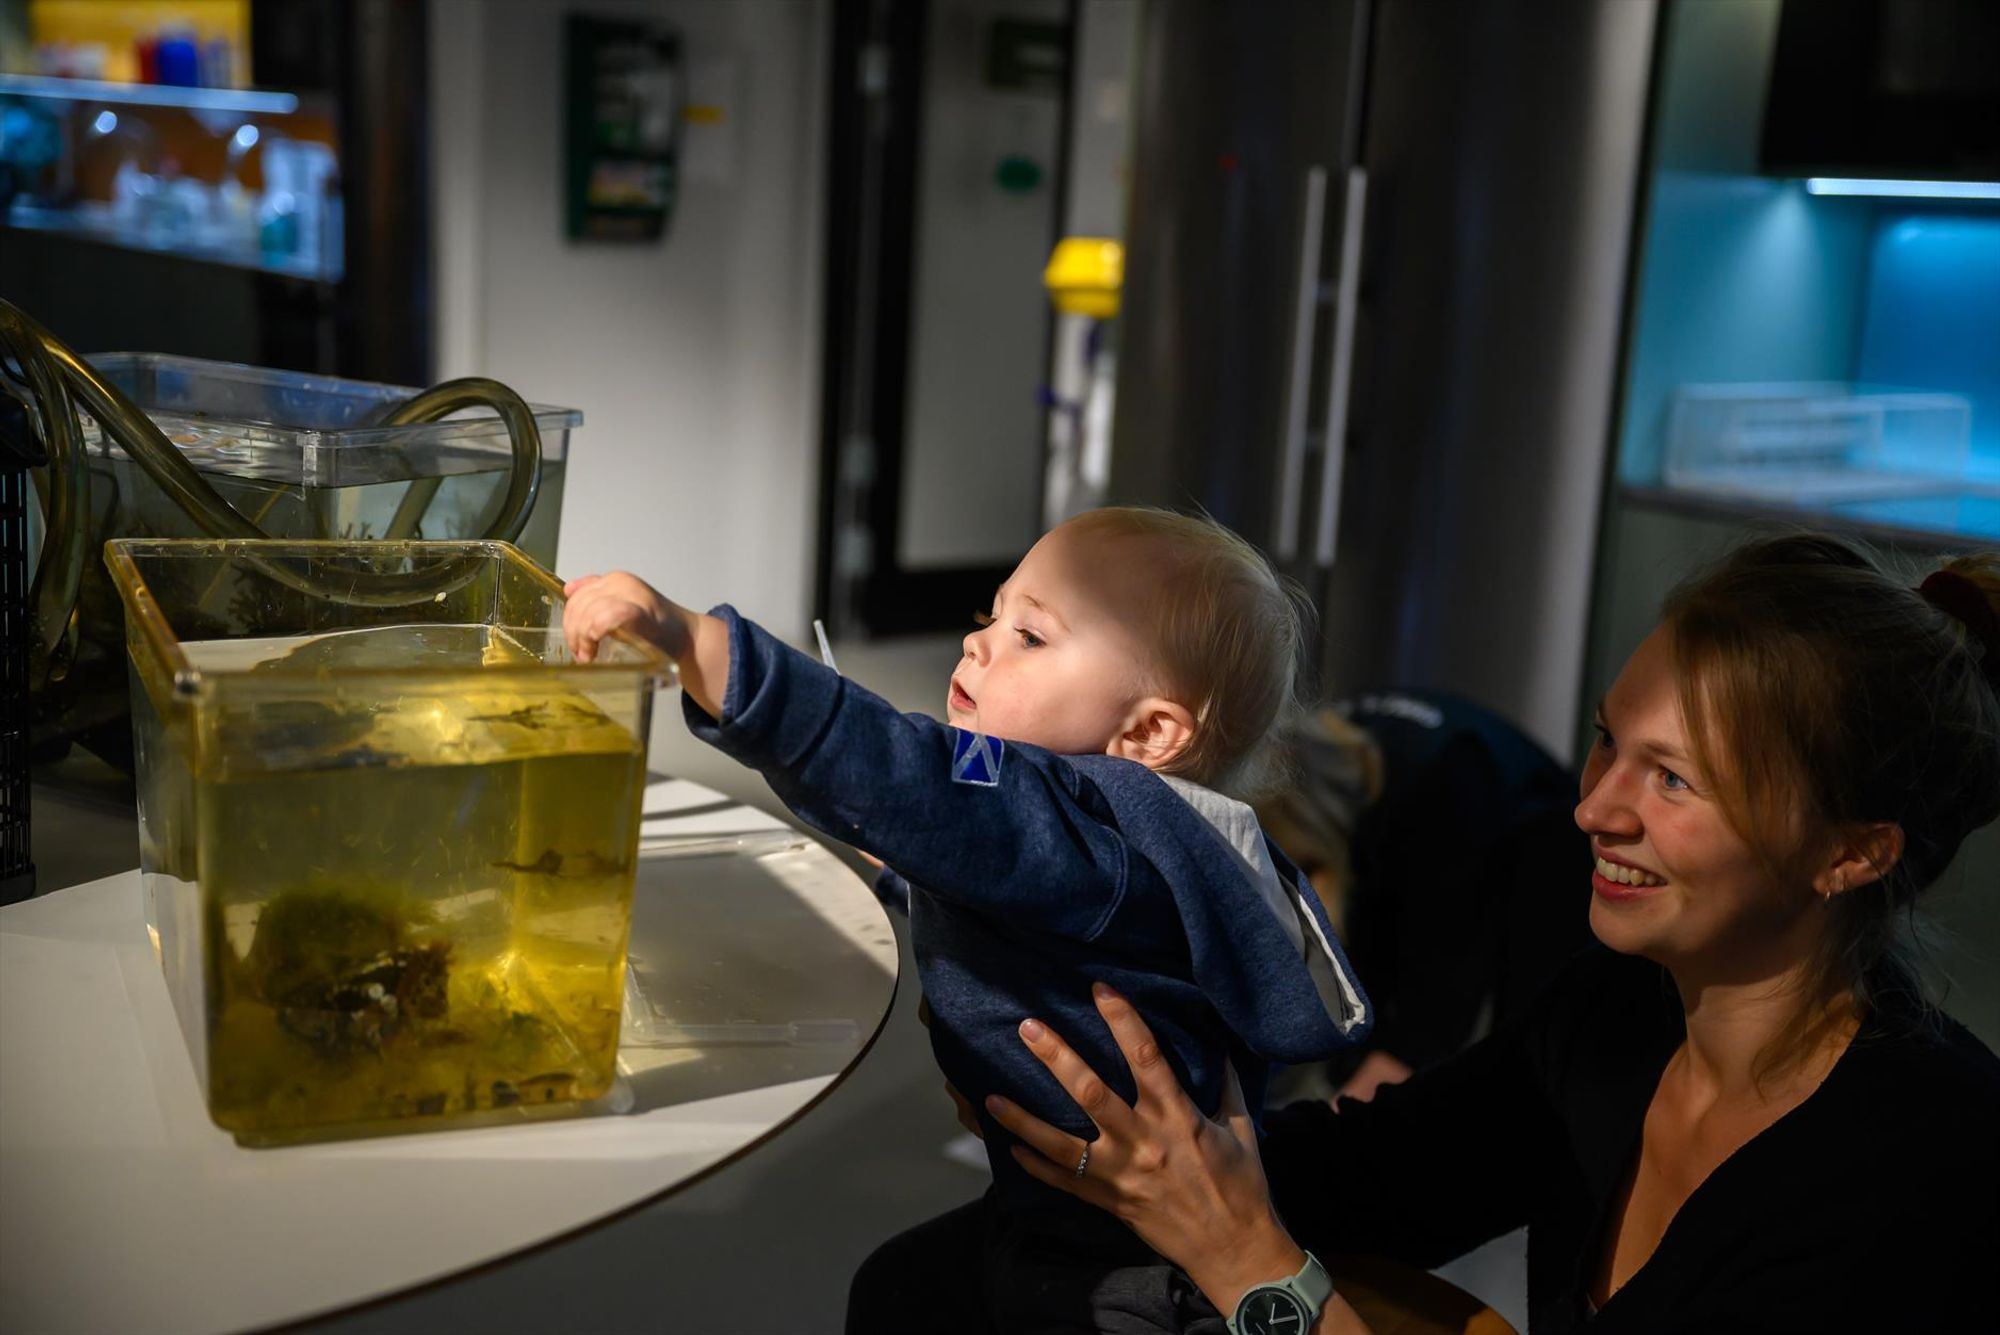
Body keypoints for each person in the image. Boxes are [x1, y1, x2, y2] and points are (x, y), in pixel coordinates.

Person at [983, 533, 2000, 1333]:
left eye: (1674, 780)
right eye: (1608, 742)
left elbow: (1265, 1236)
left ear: (1851, 854)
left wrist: (1246, 1263)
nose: (1593, 809)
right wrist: (1106, 1110)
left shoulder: (1917, 1171)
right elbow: (1380, 1171)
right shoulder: (1619, 1014)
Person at [562, 506, 1371, 1333]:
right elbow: (1018, 892)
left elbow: (908, 772)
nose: (978, 642)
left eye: (1032, 637)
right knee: (898, 1285)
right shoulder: (1106, 838)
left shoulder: (1089, 824)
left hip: (1130, 1274)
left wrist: (696, 644)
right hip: (1063, 1214)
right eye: (991, 615)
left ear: (1150, 731)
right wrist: (916, 880)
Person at [1257, 694, 1593, 1103]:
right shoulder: (1334, 751)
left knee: (1526, 1075)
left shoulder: (1442, 789)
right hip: (1436, 828)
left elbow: (1430, 1022)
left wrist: (1314, 1147)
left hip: (1552, 872)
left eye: (1304, 869)